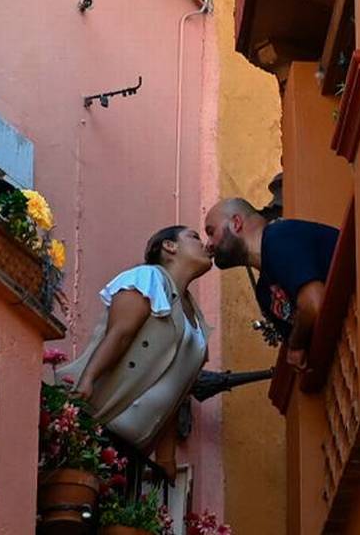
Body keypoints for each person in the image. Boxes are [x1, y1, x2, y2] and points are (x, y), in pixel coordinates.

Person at [58, 225, 211, 478]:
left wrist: (166, 457)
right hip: (100, 420)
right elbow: (120, 333)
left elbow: (175, 392)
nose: (204, 244)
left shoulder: (197, 320)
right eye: (194, 237)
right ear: (169, 246)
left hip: (133, 448)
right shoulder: (147, 278)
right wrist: (87, 379)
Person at [203, 197, 337, 369]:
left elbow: (313, 304)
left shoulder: (279, 237)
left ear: (236, 223)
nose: (208, 245)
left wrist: (296, 346)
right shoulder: (264, 291)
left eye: (211, 232)